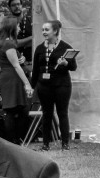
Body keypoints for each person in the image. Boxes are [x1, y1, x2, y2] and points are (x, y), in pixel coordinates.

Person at [30, 20, 77, 150]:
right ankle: (45, 144)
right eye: (43, 30)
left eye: (47, 30)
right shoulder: (40, 48)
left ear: (55, 31)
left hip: (61, 85)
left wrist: (65, 64)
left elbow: (73, 67)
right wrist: (31, 86)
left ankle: (65, 143)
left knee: (62, 113)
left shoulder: (65, 48)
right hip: (44, 86)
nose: (44, 32)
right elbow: (36, 69)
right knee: (47, 114)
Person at [0, 16, 34, 144]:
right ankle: (14, 140)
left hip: (8, 77)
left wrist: (20, 57)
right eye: (17, 26)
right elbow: (16, 65)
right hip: (12, 79)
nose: (19, 28)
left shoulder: (4, 43)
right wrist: (27, 84)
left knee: (17, 109)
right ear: (12, 27)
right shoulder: (9, 44)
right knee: (14, 110)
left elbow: (13, 60)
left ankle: (15, 140)